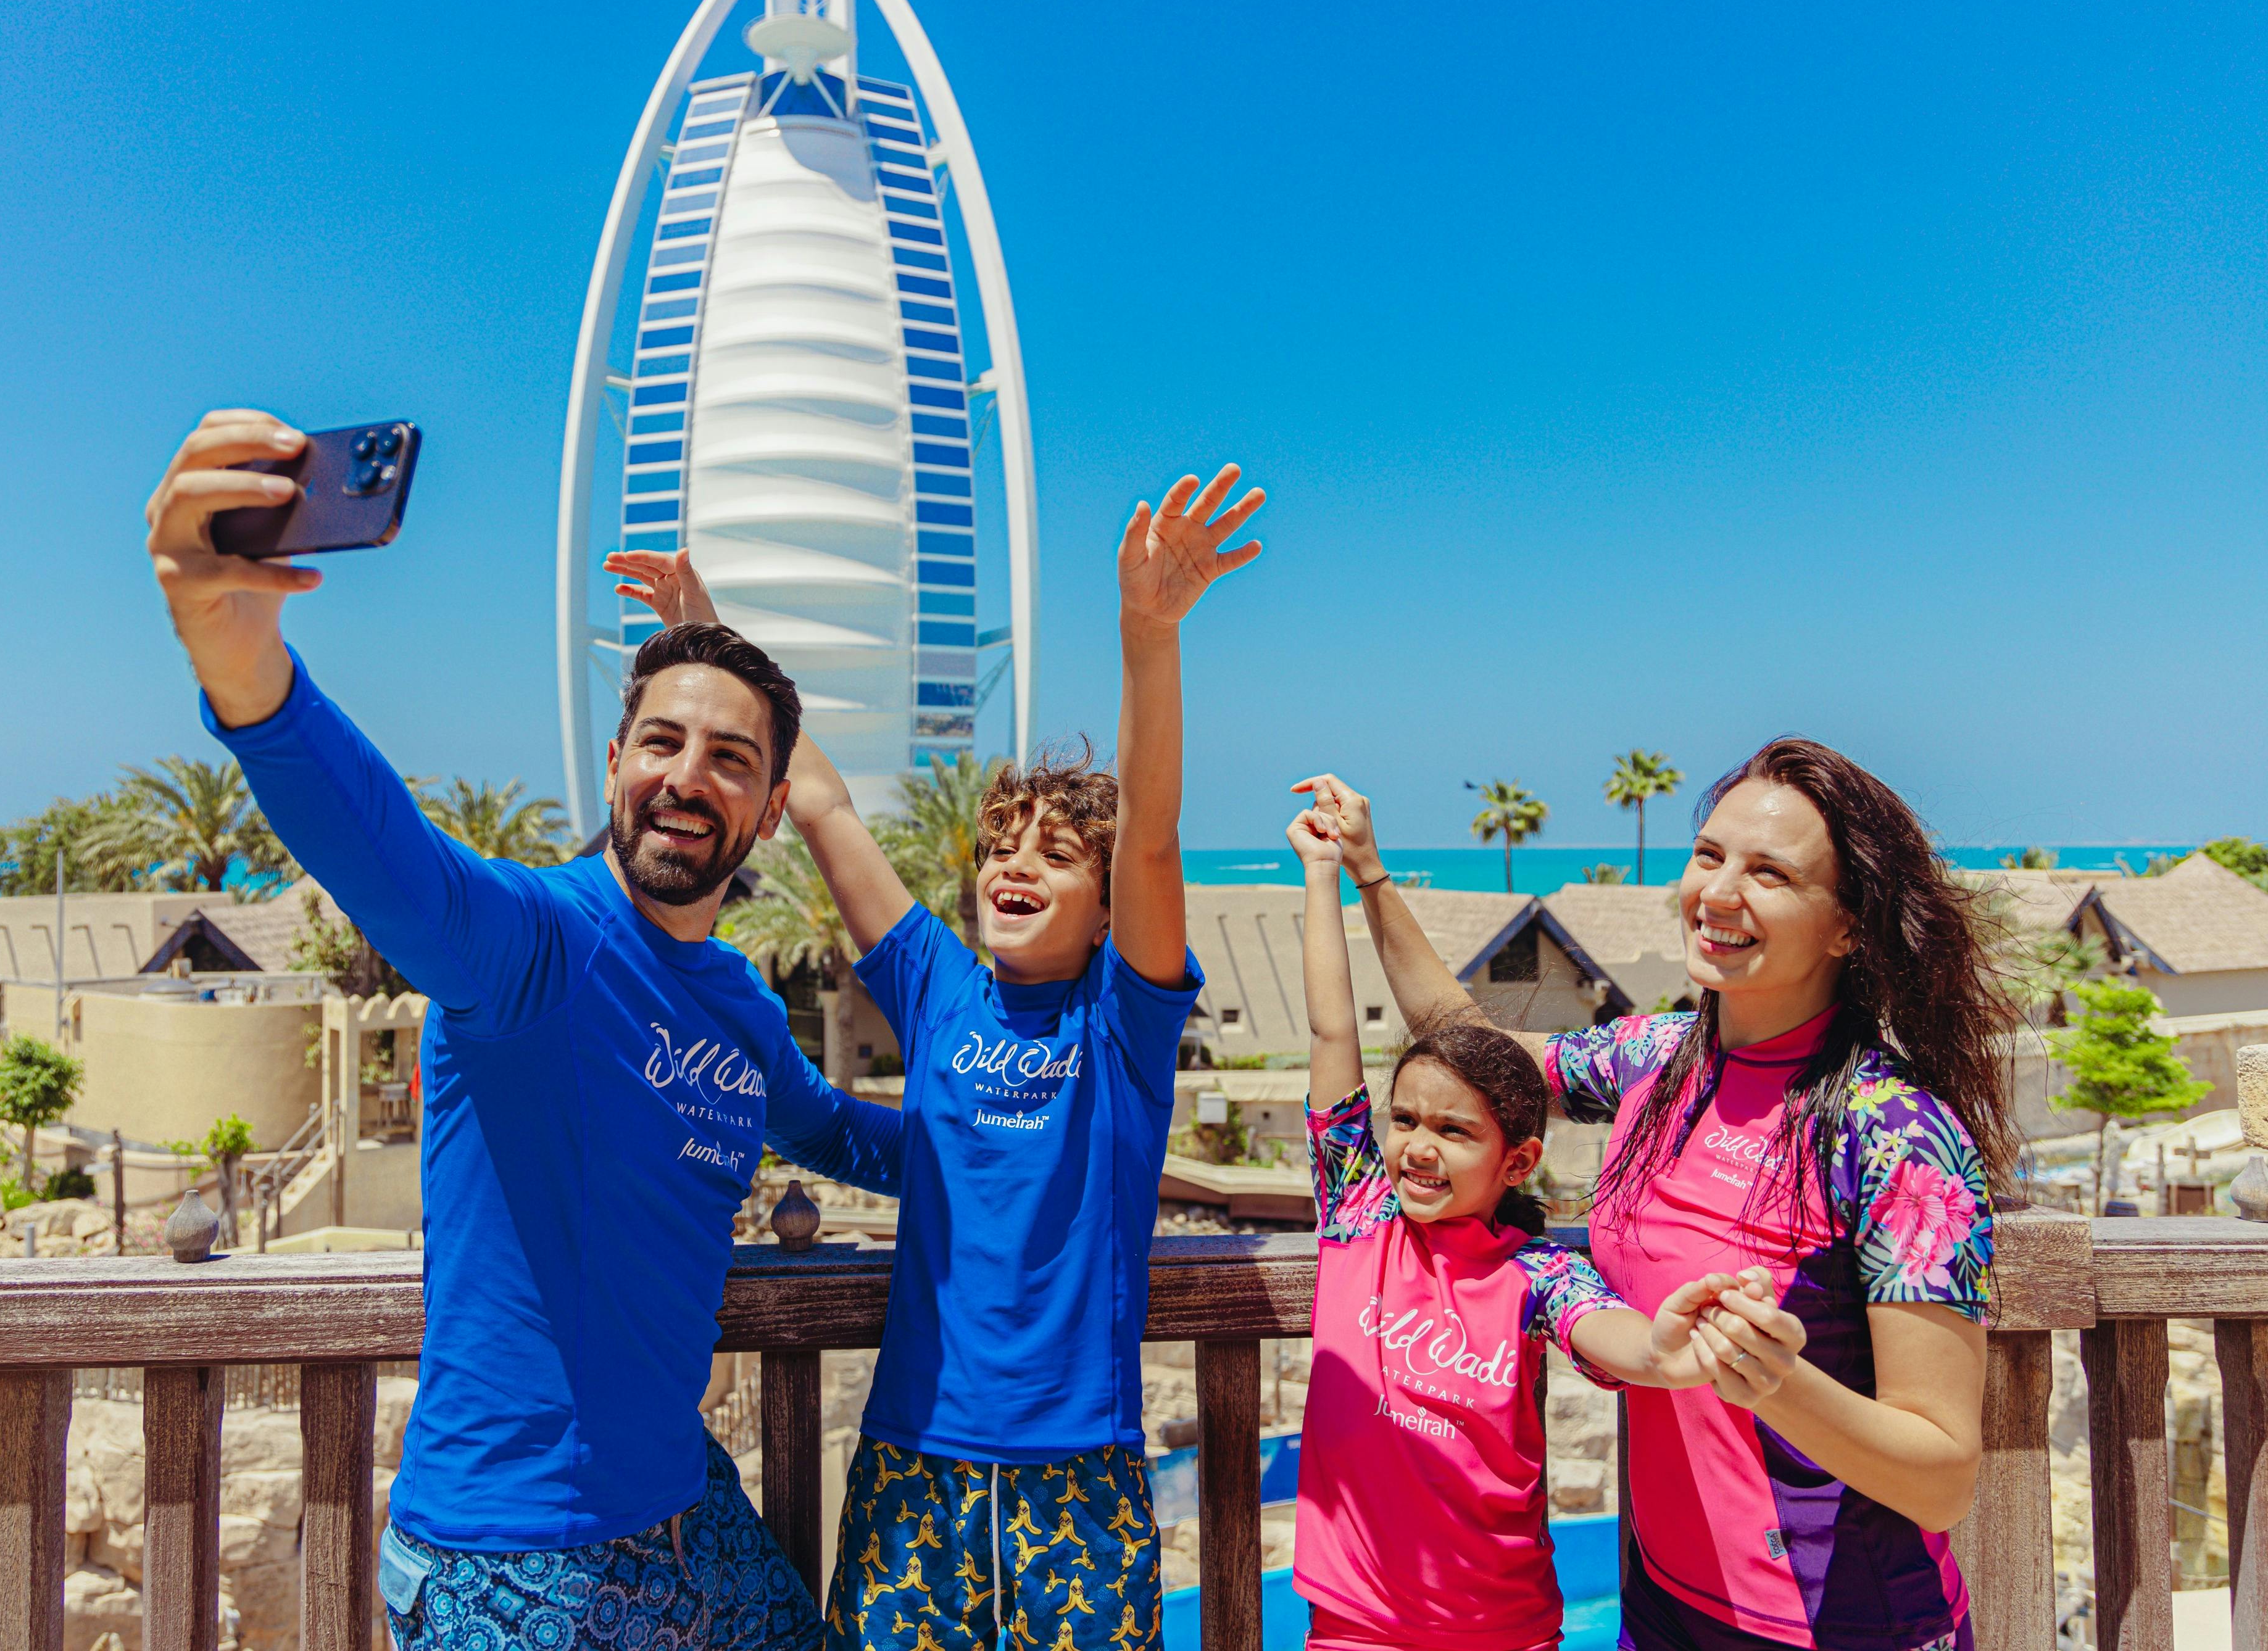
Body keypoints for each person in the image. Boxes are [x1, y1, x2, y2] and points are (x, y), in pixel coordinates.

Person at [144, 408, 902, 1651]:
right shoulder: (531, 946)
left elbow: (838, 1134)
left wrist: (1036, 1141)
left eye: (728, 760)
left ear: (771, 812)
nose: (685, 776)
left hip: (680, 1514)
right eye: (661, 741)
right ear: (612, 766)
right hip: (511, 1566)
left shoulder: (738, 1005)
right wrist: (235, 647)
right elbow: (385, 852)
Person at [606, 465, 1256, 1651]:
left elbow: (1153, 840)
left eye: (1057, 855)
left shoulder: (1122, 1025)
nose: (1015, 865)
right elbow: (821, 802)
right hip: (916, 1460)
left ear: (1106, 907)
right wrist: (699, 641)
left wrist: (1147, 638)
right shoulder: (941, 988)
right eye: (1002, 844)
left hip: (1079, 1476)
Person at [1300, 743, 2014, 1651]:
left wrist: (1778, 1384)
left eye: (1770, 873)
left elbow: (1942, 1476)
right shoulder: (1659, 1059)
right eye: (1709, 855)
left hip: (1838, 1623)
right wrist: (1368, 876)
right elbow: (1475, 1061)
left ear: (1849, 928)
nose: (1718, 893)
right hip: (1665, 1605)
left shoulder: (1900, 1135)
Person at [1286, 800, 1792, 1651]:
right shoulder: (1357, 1214)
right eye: (1404, 1119)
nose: (1418, 1146)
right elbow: (1332, 1025)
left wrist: (1670, 1351)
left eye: (1454, 1131)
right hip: (1353, 1625)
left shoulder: (1535, 1273)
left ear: (1516, 1161)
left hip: (1505, 1626)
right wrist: (1326, 873)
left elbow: (1611, 1333)